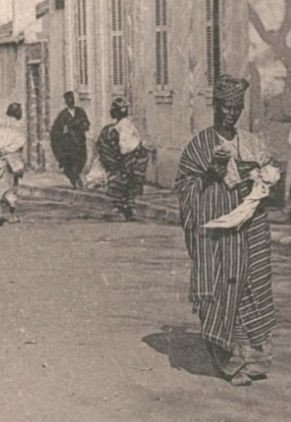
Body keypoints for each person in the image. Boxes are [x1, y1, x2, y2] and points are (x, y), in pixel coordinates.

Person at [175, 75, 279, 387]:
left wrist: (263, 178)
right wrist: (209, 175)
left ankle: (252, 357)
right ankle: (229, 361)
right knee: (222, 284)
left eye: (236, 108)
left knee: (251, 283)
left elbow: (265, 175)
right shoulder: (199, 145)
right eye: (225, 107)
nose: (231, 114)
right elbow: (185, 186)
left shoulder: (250, 141)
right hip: (217, 233)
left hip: (248, 227)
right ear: (215, 107)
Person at [96, 98, 150, 220]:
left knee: (119, 184)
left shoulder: (118, 127)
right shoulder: (128, 125)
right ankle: (129, 209)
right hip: (135, 162)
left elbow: (124, 147)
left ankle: (120, 209)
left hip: (127, 162)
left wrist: (117, 160)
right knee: (131, 186)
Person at [49, 91, 91, 188]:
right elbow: (56, 129)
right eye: (68, 99)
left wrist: (82, 124)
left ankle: (77, 177)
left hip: (80, 142)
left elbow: (87, 124)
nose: (70, 101)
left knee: (82, 160)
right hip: (69, 144)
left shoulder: (80, 111)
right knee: (70, 163)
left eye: (71, 98)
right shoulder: (63, 115)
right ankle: (74, 180)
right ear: (66, 102)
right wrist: (63, 133)